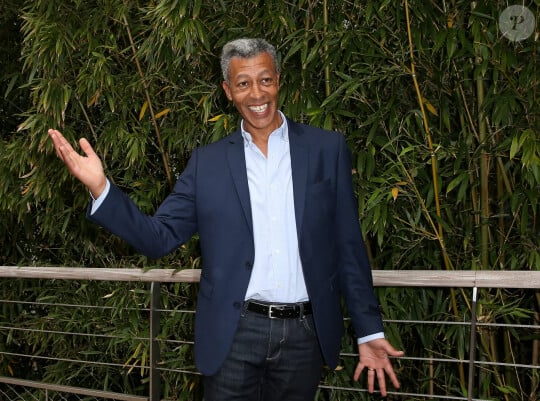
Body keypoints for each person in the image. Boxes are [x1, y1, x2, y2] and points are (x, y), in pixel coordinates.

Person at [49, 38, 403, 401]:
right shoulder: (208, 163)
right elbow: (158, 237)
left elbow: (348, 245)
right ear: (228, 91)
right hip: (235, 333)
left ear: (279, 80)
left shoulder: (327, 149)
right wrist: (101, 188)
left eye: (265, 80)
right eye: (243, 83)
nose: (256, 94)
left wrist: (368, 330)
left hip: (305, 334)